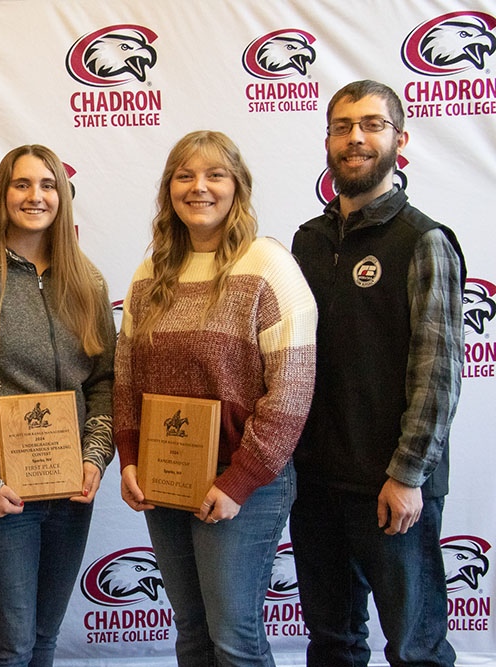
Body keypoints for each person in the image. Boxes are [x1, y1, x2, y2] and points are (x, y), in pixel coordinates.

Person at [114, 131, 317, 665]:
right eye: (185, 175)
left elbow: (291, 392)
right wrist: (130, 459)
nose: (198, 187)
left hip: (243, 483)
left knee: (235, 639)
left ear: (237, 187)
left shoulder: (268, 266)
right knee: (192, 633)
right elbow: (127, 379)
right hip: (166, 478)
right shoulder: (150, 273)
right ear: (169, 190)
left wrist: (240, 480)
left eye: (214, 175)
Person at [290, 80, 465, 666]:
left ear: (400, 140)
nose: (356, 138)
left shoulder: (424, 241)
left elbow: (437, 374)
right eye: (343, 126)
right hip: (316, 484)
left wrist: (409, 475)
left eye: (371, 125)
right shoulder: (307, 241)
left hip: (393, 487)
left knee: (416, 648)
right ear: (328, 142)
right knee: (333, 644)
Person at [0, 144, 115, 666]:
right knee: (9, 644)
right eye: (22, 184)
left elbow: (104, 382)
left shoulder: (89, 280)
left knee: (41, 640)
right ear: (1, 195)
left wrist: (94, 458)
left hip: (69, 494)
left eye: (48, 184)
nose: (36, 196)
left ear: (63, 195)